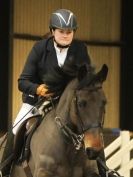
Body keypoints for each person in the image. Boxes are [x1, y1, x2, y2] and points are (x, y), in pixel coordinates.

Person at [0, 9, 91, 176]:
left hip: (66, 101)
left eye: (69, 31)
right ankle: (5, 169)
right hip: (36, 101)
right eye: (61, 31)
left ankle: (103, 168)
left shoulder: (80, 49)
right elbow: (23, 81)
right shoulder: (40, 48)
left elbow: (86, 78)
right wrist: (37, 89)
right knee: (16, 128)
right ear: (52, 31)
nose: (65, 35)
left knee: (92, 125)